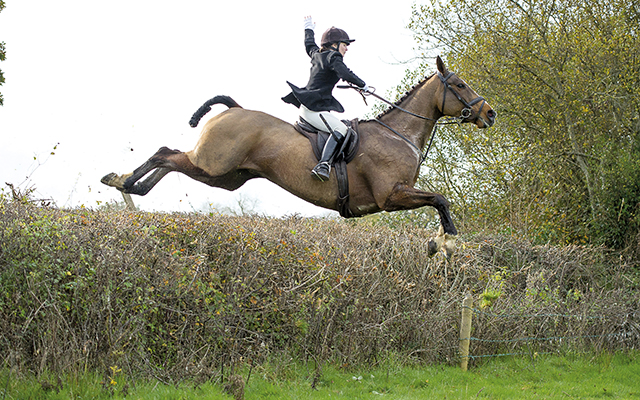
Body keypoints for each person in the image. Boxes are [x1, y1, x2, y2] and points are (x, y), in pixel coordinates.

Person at [282, 16, 370, 182]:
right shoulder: (333, 57)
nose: (346, 49)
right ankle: (323, 165)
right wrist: (362, 85)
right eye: (345, 45)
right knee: (342, 130)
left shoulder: (317, 55)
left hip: (310, 107)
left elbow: (309, 46)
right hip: (314, 109)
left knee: (341, 125)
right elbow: (345, 73)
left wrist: (309, 29)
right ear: (334, 45)